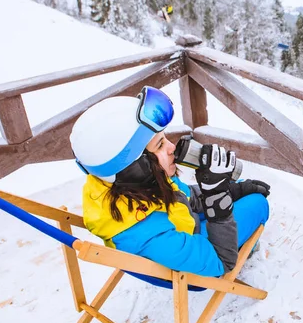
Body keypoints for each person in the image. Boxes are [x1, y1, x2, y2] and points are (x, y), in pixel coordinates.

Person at [69, 86, 270, 277]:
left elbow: (188, 199)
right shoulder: (147, 237)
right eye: (160, 145)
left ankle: (235, 219)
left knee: (239, 189)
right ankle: (247, 248)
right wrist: (218, 199)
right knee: (258, 202)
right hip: (203, 255)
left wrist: (228, 189)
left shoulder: (130, 186)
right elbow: (221, 261)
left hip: (182, 232)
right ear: (135, 168)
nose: (172, 147)